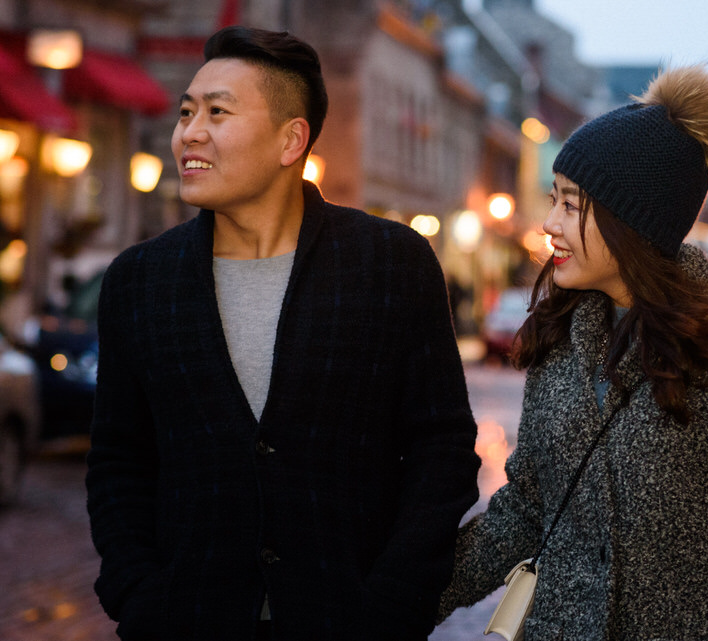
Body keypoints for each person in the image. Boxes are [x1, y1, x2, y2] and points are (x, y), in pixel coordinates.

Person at [437, 65, 708, 639]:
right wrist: (401, 601)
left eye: (571, 205)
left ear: (631, 219)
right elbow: (526, 509)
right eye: (554, 201)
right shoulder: (560, 341)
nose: (549, 224)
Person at [86, 26, 480, 641]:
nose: (188, 132)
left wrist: (395, 602)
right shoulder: (139, 281)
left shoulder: (390, 264)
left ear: (290, 139)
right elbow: (119, 461)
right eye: (186, 112)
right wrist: (139, 596)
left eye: (218, 112)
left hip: (347, 618)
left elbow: (442, 449)